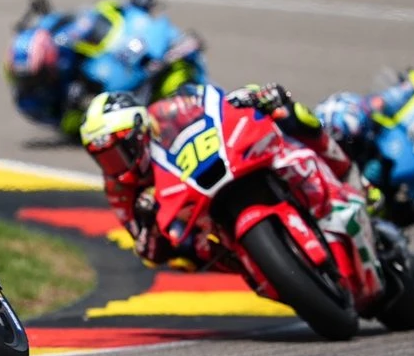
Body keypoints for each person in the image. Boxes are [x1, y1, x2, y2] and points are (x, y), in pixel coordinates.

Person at [79, 84, 363, 270]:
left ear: (139, 133)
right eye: (102, 158)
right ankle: (266, 268)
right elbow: (147, 250)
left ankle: (348, 175)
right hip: (200, 219)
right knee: (187, 259)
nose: (112, 165)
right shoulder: (118, 188)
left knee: (291, 113)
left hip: (222, 163)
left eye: (117, 152)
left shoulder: (166, 113)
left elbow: (215, 103)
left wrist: (253, 95)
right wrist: (148, 224)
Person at [4, 0, 207, 136]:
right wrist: (77, 109)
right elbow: (66, 125)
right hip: (103, 109)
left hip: (115, 60)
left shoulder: (54, 43)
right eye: (32, 78)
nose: (35, 82)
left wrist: (128, 5)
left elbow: (87, 16)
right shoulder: (29, 101)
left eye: (41, 74)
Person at [314, 65, 414, 221]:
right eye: (348, 144)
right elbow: (385, 215)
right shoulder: (360, 175)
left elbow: (410, 87)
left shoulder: (381, 107)